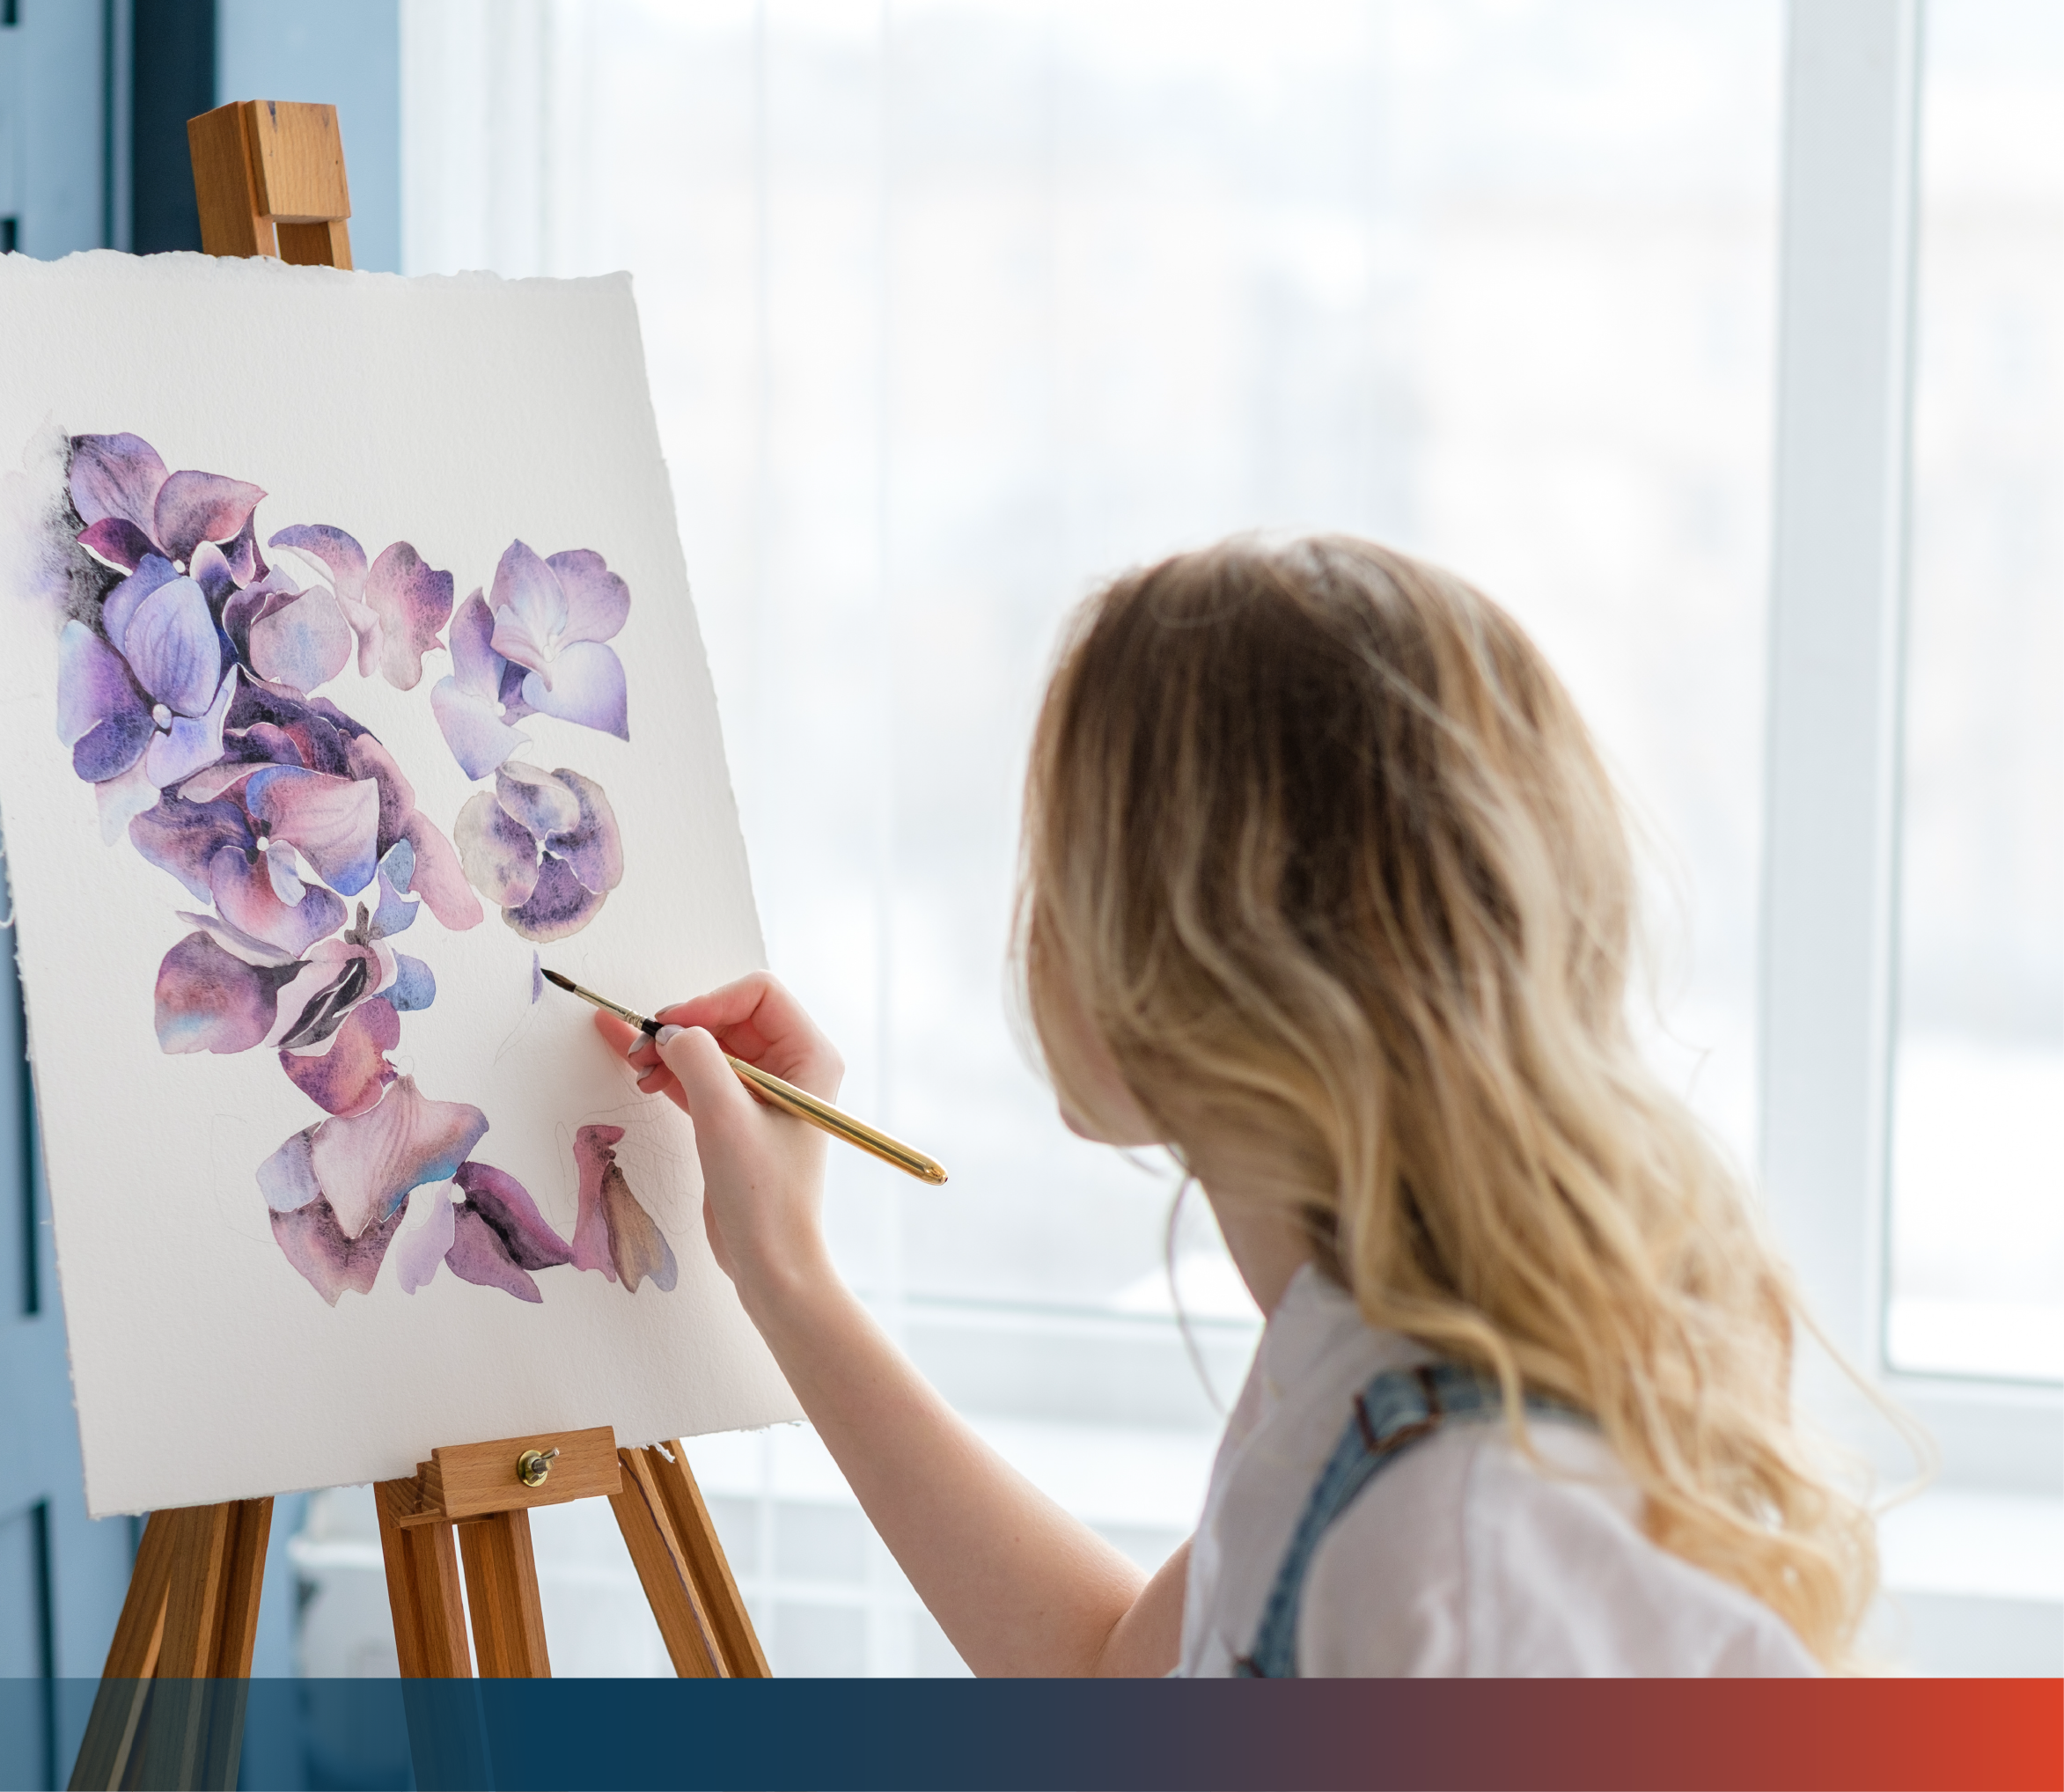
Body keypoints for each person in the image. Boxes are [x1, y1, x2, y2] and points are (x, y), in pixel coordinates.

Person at [595, 535, 1876, 1677]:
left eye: (1056, 867)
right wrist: (783, 1273)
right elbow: (1114, 1681)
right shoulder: (1358, 1346)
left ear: (1191, 966)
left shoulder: (1454, 1556)